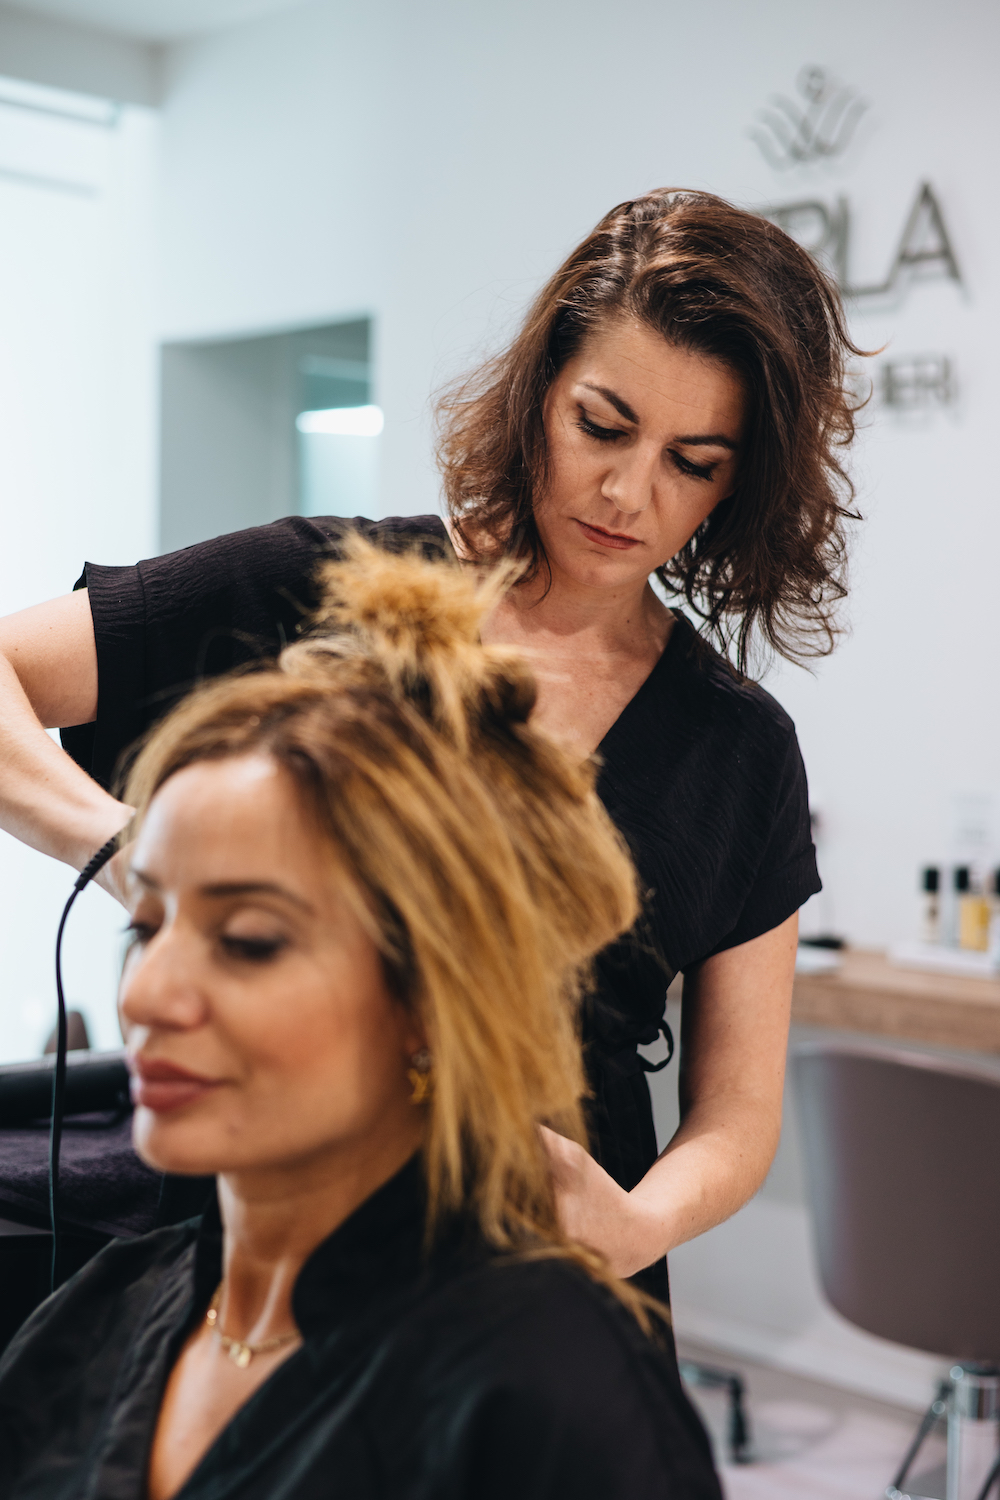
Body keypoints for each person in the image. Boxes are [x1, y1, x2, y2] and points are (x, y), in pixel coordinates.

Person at [0, 187, 861, 1300]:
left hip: (530, 1278)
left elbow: (737, 1115)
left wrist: (637, 1221)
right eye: (602, 426)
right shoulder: (324, 589)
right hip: (255, 1231)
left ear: (739, 482)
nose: (627, 492)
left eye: (691, 462)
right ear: (539, 394)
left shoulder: (738, 748)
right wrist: (128, 854)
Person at [0, 543, 721, 1499]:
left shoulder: (546, 1395)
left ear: (430, 1002)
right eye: (149, 926)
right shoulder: (98, 1312)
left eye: (248, 941)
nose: (145, 998)